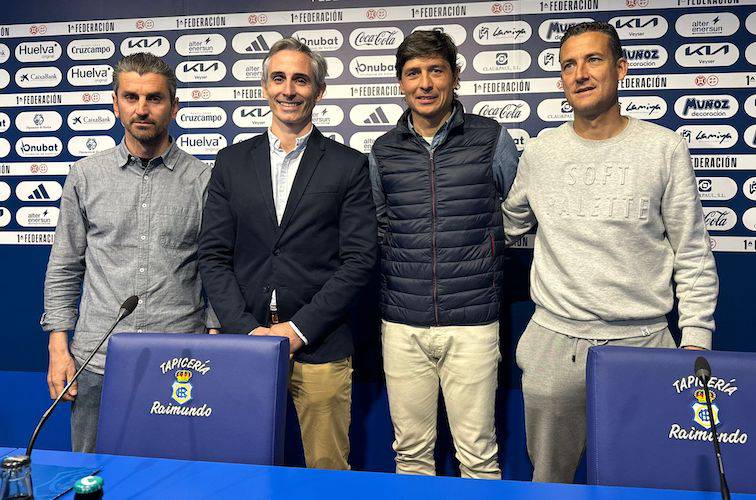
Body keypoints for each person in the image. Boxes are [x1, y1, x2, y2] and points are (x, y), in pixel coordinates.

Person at [501, 21, 719, 483]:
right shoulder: (540, 152)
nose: (580, 74)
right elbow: (512, 219)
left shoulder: (664, 149)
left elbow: (693, 254)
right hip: (553, 346)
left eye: (593, 60)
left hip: (644, 345)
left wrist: (695, 341)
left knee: (643, 481)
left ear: (620, 68)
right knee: (549, 482)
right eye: (569, 65)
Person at [198, 37, 377, 470]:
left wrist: (298, 330)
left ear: (318, 91)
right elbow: (213, 254)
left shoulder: (348, 165)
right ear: (264, 87)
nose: (289, 90)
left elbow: (359, 260)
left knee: (327, 470)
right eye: (278, 78)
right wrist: (245, 330)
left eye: (301, 80)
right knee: (242, 467)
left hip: (320, 347)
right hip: (246, 344)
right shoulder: (230, 162)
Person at [42, 52, 219, 453]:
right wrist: (58, 346)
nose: (142, 109)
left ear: (174, 106)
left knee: (174, 479)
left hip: (179, 361)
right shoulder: (86, 175)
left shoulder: (203, 179)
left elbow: (216, 268)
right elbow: (65, 265)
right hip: (96, 361)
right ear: (115, 102)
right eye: (131, 97)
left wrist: (213, 341)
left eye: (154, 98)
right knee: (90, 477)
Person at [369, 30, 519, 479]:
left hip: (473, 323)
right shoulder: (383, 150)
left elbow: (517, 216)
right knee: (411, 456)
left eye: (436, 70)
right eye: (413, 73)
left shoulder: (491, 138)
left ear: (455, 77)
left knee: (477, 455)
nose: (425, 83)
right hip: (402, 324)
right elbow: (380, 225)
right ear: (401, 83)